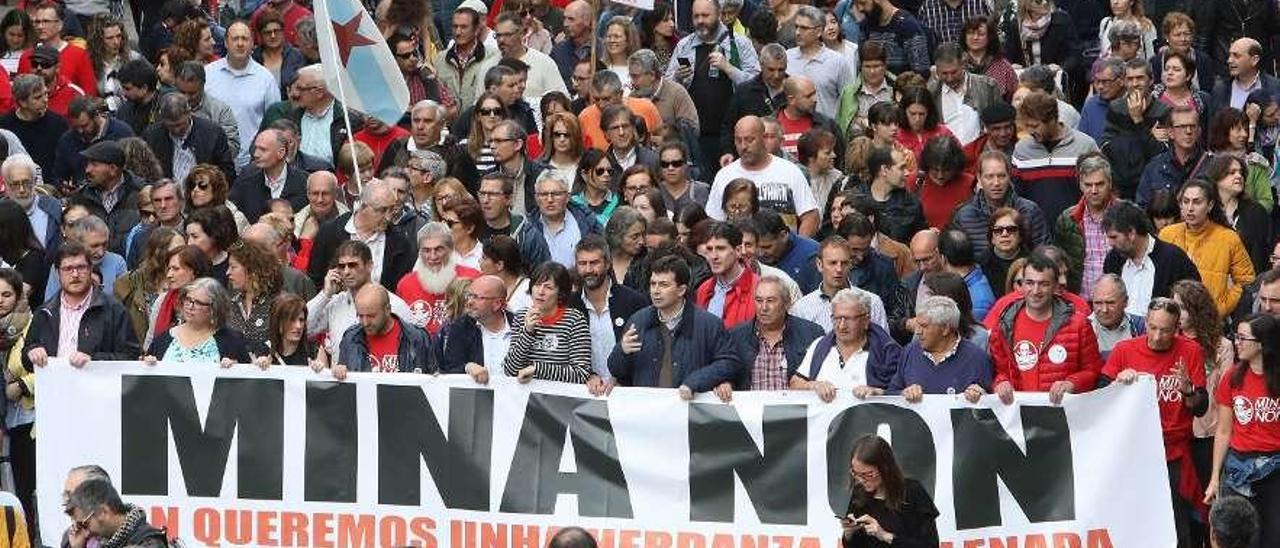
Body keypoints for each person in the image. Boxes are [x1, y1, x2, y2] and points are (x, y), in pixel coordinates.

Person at [1104, 296, 1208, 545]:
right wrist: (1117, 382)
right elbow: (1102, 400)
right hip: (1133, 451)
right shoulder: (1124, 350)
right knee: (1135, 517)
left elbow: (1200, 408)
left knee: (1177, 522)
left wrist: (1188, 391)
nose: (1158, 336)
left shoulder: (1190, 351)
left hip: (1174, 452)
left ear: (1177, 329)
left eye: (1165, 330)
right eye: (1153, 327)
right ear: (1146, 322)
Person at [607, 255, 741, 399]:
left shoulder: (708, 324)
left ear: (681, 290)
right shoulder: (638, 321)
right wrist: (622, 351)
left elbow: (729, 363)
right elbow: (617, 371)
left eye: (664, 285)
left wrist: (695, 382)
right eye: (653, 284)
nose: (656, 291)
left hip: (689, 412)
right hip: (646, 412)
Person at [1205, 314, 1280, 546]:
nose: (1237, 342)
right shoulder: (1232, 376)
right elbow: (1224, 431)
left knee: (1272, 537)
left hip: (1275, 468)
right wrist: (1215, 477)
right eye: (1236, 336)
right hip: (1238, 468)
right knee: (1237, 539)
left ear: (1262, 343)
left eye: (1243, 338)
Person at [989, 252, 1103, 405]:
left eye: (1043, 284)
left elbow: (1094, 370)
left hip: (1063, 413)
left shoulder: (1078, 325)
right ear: (1021, 284)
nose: (1036, 291)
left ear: (1056, 286)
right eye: (1030, 283)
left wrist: (1072, 383)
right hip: (1018, 414)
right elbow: (996, 370)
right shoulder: (1004, 323)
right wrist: (1000, 382)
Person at [667, 0, 761, 176]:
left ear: (719, 15)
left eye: (705, 15)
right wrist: (677, 77)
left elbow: (756, 85)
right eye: (696, 16)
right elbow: (668, 87)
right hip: (695, 137)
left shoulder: (739, 44)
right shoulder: (684, 45)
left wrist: (729, 68)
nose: (700, 21)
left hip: (732, 136)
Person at [26, 242, 140, 371]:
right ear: (57, 273)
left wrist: (94, 360)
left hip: (97, 387)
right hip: (55, 387)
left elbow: (131, 356)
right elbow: (26, 358)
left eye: (81, 267)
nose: (75, 274)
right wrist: (32, 351)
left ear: (91, 269)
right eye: (68, 269)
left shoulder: (114, 309)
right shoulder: (44, 312)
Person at [1160, 179, 1256, 317]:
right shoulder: (1167, 234)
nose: (1190, 208)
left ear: (1210, 205)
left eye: (1197, 202)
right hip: (1170, 318)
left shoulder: (1228, 238)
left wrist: (1221, 307)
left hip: (1209, 321)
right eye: (1185, 202)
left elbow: (1247, 281)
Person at [307, 240, 414, 357]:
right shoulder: (335, 303)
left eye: (352, 265)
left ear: (369, 266)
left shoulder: (393, 304)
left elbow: (414, 346)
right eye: (342, 266)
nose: (346, 271)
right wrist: (325, 295)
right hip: (342, 373)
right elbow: (306, 329)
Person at [307, 180, 416, 291]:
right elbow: (315, 280)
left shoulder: (399, 242)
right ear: (363, 206)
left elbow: (401, 288)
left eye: (392, 209)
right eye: (382, 210)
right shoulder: (329, 233)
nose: (388, 217)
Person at [794, 288, 900, 400]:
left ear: (866, 321)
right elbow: (795, 383)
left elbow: (902, 393)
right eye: (837, 318)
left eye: (849, 319)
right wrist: (813, 385)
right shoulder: (819, 345)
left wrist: (877, 392)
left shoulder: (888, 352)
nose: (842, 326)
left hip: (870, 415)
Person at [1012, 90, 1100, 223]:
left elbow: (1101, 190)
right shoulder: (1021, 150)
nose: (1030, 131)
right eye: (1027, 126)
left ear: (1052, 120)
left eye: (1035, 126)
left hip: (1077, 230)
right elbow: (1016, 196)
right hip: (1036, 232)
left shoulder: (1085, 146)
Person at [725, 275, 824, 391]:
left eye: (770, 301)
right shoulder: (736, 337)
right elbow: (726, 372)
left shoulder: (811, 334)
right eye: (759, 300)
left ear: (787, 303)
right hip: (750, 408)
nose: (764, 307)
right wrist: (725, 383)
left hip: (795, 407)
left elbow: (825, 375)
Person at [840, 434, 939, 547]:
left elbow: (931, 545)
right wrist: (849, 533)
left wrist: (886, 536)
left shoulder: (913, 492)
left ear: (885, 467)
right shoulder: (859, 493)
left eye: (868, 474)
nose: (861, 480)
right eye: (855, 473)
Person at [572, 234, 648, 382]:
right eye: (582, 263)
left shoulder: (634, 302)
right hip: (584, 394)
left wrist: (620, 379)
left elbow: (644, 351)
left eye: (594, 263)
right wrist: (588, 376)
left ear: (607, 264)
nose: (588, 269)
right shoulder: (570, 305)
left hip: (626, 393)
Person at [503, 262, 593, 383]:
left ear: (560, 293)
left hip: (559, 397)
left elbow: (581, 373)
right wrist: (527, 332)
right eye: (537, 285)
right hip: (525, 397)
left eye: (548, 287)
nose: (540, 291)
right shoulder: (521, 316)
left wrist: (537, 369)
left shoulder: (575, 320)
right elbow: (510, 370)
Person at [950, 150, 1051, 258]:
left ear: (1009, 176)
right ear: (979, 178)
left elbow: (1043, 256)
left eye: (1001, 176)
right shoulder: (964, 215)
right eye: (989, 176)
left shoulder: (1030, 211)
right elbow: (957, 258)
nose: (996, 183)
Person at [333, 284, 437, 378]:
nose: (365, 323)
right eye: (360, 316)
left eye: (371, 316)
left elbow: (434, 379)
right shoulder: (351, 338)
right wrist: (338, 372)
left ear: (387, 310)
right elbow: (343, 380)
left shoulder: (417, 338)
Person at [144, 277, 253, 366]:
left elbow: (246, 381)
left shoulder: (232, 341)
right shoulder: (164, 339)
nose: (190, 306)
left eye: (198, 303)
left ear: (214, 308)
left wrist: (235, 368)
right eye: (188, 299)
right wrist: (149, 364)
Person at [398, 222, 481, 336]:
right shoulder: (406, 284)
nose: (432, 257)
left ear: (451, 249)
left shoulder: (473, 279)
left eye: (439, 249)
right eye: (426, 250)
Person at [142, 93, 236, 185]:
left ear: (189, 113)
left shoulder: (213, 134)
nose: (176, 130)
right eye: (171, 126)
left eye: (180, 124)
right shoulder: (152, 136)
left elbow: (227, 172)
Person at [441, 274, 515, 382]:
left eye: (477, 297)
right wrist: (467, 367)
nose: (469, 302)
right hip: (476, 397)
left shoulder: (520, 326)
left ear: (497, 304)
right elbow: (450, 369)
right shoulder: (461, 327)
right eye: (469, 295)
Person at [1207, 155, 1273, 273]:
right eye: (1231, 172)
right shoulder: (1207, 211)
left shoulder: (1256, 211)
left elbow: (1261, 256)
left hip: (1247, 281)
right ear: (1216, 177)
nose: (1238, 176)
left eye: (1241, 173)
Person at [848, 144, 926, 244]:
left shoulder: (911, 204)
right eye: (901, 168)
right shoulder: (854, 200)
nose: (907, 173)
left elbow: (919, 241)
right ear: (884, 170)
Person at [231, 128, 309, 223]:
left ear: (281, 152)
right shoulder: (246, 179)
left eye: (263, 150)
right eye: (256, 148)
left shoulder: (303, 182)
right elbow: (232, 211)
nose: (256, 154)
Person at [63, 478, 168, 548]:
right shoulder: (103, 541)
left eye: (84, 524)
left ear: (102, 512)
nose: (85, 533)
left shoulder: (149, 543)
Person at [1138, 104, 1207, 208]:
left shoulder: (1212, 164)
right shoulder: (1154, 167)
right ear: (1170, 132)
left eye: (1193, 126)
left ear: (1199, 131)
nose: (1188, 131)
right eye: (1182, 127)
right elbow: (1142, 207)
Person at [226, 239, 283, 357]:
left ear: (251, 269)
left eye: (233, 267)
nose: (227, 272)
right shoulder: (229, 304)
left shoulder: (278, 304)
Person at [696, 221, 757, 328]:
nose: (713, 256)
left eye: (720, 249)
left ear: (738, 251)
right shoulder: (703, 289)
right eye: (709, 249)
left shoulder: (759, 288)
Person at [1209, 38, 1280, 114]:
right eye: (1230, 55)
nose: (1229, 60)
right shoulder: (1220, 90)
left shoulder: (1275, 87)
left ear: (1254, 60)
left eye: (1236, 56)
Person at [1089, 273, 1146, 359]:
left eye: (1110, 303)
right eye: (1098, 303)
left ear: (1125, 302)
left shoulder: (1140, 326)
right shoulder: (1084, 328)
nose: (1104, 310)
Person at [259, 293, 318, 367]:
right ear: (279, 323)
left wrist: (318, 369)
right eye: (292, 320)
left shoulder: (314, 351)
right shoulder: (265, 350)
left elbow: (324, 375)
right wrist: (259, 366)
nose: (298, 326)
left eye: (301, 320)